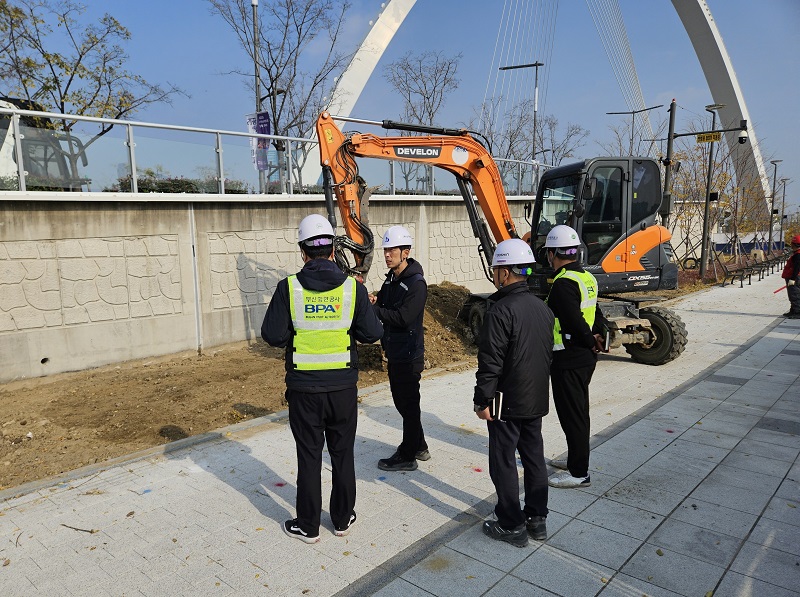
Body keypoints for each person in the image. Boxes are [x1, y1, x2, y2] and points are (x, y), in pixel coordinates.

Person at [262, 214, 383, 543]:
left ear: (303, 251)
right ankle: (342, 519)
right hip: (343, 389)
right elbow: (372, 334)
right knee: (343, 454)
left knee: (309, 456)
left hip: (304, 391)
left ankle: (309, 525)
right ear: (332, 249)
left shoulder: (288, 289)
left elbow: (271, 335)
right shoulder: (351, 289)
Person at [474, 238, 554, 548]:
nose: (494, 275)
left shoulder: (500, 310)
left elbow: (490, 361)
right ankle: (537, 519)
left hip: (506, 400)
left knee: (503, 460)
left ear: (505, 273)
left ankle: (511, 524)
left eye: (496, 269)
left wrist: (482, 399)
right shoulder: (542, 308)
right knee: (533, 457)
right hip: (535, 397)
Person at [543, 225, 608, 489]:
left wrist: (588, 339)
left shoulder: (562, 283)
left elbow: (573, 321)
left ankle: (579, 473)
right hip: (582, 357)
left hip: (569, 358)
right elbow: (596, 312)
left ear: (552, 254)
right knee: (577, 412)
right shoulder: (586, 278)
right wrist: (599, 335)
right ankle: (574, 460)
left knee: (573, 415)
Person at [369, 226, 429, 472]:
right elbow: (383, 302)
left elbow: (404, 317)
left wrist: (376, 310)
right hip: (395, 350)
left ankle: (407, 455)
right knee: (404, 403)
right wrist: (373, 299)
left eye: (392, 250)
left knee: (408, 403)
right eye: (385, 250)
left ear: (406, 252)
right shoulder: (392, 279)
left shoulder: (416, 284)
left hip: (409, 353)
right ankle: (420, 445)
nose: (387, 255)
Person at [782, 234, 800, 318]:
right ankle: (793, 310)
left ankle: (797, 313)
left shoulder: (798, 255)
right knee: (792, 294)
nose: (791, 245)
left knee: (794, 295)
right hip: (793, 277)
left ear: (795, 244)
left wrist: (792, 279)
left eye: (792, 243)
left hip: (794, 278)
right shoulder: (796, 253)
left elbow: (797, 267)